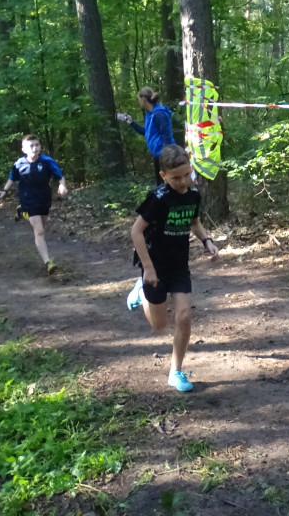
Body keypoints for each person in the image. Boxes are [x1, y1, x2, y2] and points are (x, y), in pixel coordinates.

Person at [125, 144, 219, 392]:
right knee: (159, 326)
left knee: (184, 316)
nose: (183, 181)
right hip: (153, 264)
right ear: (163, 176)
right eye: (176, 177)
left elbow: (195, 223)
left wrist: (207, 241)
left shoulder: (193, 195)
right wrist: (148, 269)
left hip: (179, 265)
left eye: (186, 175)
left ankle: (176, 371)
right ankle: (141, 290)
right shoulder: (157, 198)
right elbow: (136, 231)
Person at [0, 135, 68, 274]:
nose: (34, 148)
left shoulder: (47, 161)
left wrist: (62, 186)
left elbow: (60, 176)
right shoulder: (19, 163)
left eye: (37, 145)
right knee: (39, 231)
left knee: (42, 225)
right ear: (24, 149)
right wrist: (3, 191)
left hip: (44, 198)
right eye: (31, 146)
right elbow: (12, 178)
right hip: (27, 198)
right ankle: (48, 262)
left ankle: (22, 212)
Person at [117, 86, 175, 183]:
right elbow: (147, 132)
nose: (138, 101)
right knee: (160, 186)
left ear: (143, 99)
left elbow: (166, 136)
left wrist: (166, 157)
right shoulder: (150, 114)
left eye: (138, 99)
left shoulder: (159, 114)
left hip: (165, 155)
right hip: (158, 155)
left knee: (167, 186)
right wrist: (131, 122)